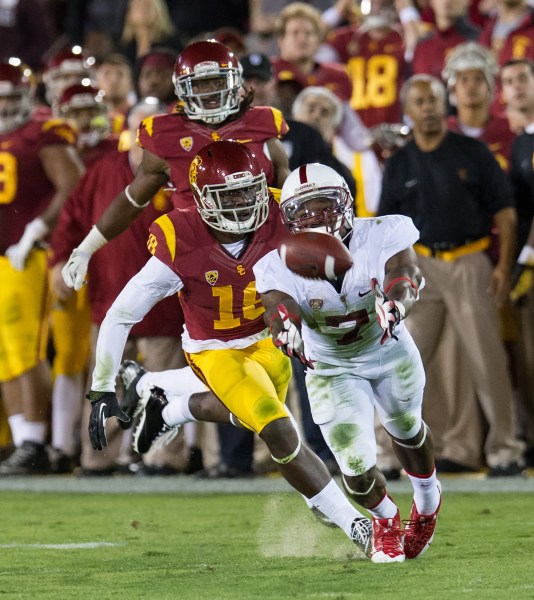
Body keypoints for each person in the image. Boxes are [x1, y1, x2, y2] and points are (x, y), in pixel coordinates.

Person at [86, 140, 374, 556]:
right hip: (214, 348)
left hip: (270, 337)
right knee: (277, 428)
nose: (243, 203)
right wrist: (101, 386)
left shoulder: (283, 211)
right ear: (202, 198)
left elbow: (338, 234)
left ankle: (165, 403)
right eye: (229, 194)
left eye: (249, 191)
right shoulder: (177, 237)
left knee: (257, 417)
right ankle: (353, 522)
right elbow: (120, 315)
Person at [252, 162, 441, 563]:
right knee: (354, 464)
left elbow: (405, 270)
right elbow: (278, 308)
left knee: (406, 428)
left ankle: (427, 503)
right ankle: (385, 520)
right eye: (302, 211)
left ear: (345, 203)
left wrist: (397, 299)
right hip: (331, 364)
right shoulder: (275, 263)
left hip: (388, 350)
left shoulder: (383, 231)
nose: (314, 218)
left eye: (323, 206)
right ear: (288, 218)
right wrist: (285, 328)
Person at [378, 74, 525, 476]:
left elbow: (505, 214)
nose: (428, 108)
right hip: (419, 267)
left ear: (446, 106)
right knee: (401, 361)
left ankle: (505, 450)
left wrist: (502, 266)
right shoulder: (399, 163)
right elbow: (386, 227)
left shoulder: (472, 152)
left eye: (434, 100)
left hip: (469, 262)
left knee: (487, 360)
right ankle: (386, 455)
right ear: (407, 111)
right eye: (419, 102)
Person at [61, 40, 290, 293]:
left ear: (234, 80)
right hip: (199, 261)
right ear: (182, 88)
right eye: (201, 83)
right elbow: (132, 200)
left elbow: (287, 196)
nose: (210, 92)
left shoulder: (263, 124)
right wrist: (86, 248)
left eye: (217, 81)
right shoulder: (165, 135)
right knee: (125, 315)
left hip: (262, 253)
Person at [50, 97, 186, 476]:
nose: (145, 140)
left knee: (164, 380)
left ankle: (165, 459)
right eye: (140, 130)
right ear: (127, 132)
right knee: (103, 379)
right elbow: (72, 217)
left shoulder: (179, 171)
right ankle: (98, 457)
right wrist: (60, 258)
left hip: (165, 301)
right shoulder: (102, 171)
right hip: (111, 293)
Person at [0, 60, 84, 475]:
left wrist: (36, 230)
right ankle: (20, 439)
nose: (2, 109)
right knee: (4, 353)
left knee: (27, 348)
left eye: (9, 100)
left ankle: (36, 441)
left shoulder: (43, 131)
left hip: (26, 254)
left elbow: (73, 182)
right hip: (3, 254)